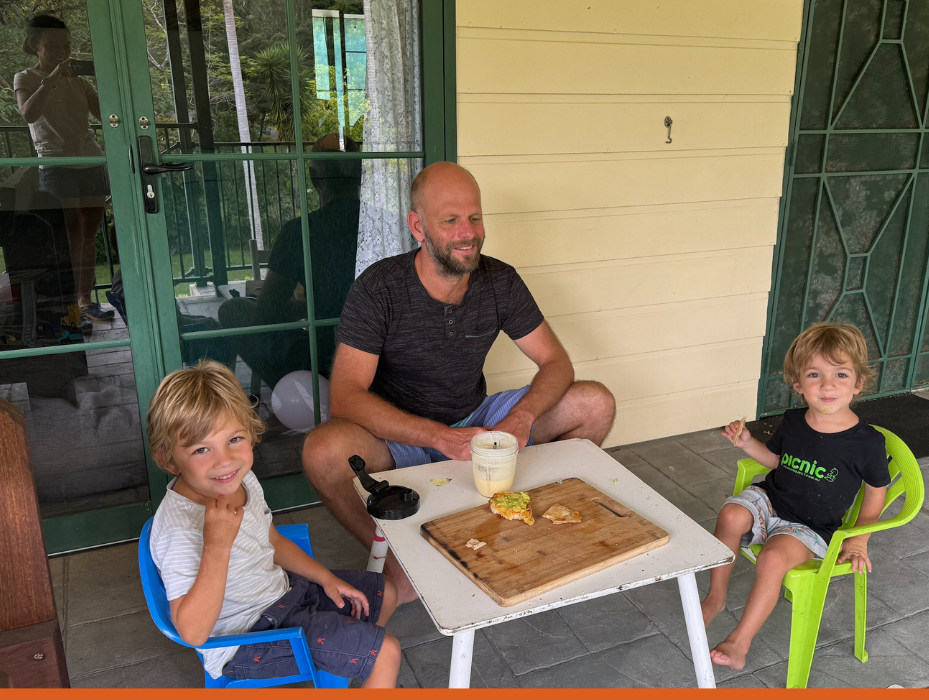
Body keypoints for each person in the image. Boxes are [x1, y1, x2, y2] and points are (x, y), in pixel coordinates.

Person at [302, 161, 617, 605]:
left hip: (476, 421)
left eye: (474, 217)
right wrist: (437, 436)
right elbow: (345, 397)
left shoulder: (499, 280)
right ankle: (395, 557)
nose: (467, 232)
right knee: (322, 450)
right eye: (450, 220)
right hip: (398, 437)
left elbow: (556, 362)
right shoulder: (379, 287)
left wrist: (523, 417)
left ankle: (527, 522)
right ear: (418, 226)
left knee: (595, 403)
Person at [146, 360, 401, 686]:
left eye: (234, 439)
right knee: (387, 653)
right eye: (201, 449)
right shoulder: (179, 529)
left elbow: (271, 540)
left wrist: (325, 578)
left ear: (251, 434)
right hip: (245, 639)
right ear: (168, 459)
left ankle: (347, 668)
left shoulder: (242, 480)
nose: (224, 460)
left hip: (283, 596)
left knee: (385, 593)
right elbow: (193, 632)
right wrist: (217, 545)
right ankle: (366, 664)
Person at [702, 323, 891, 670]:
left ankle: (739, 642)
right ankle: (715, 598)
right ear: (798, 384)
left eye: (841, 374)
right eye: (815, 374)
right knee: (730, 514)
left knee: (773, 560)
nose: (828, 385)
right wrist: (747, 444)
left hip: (811, 526)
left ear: (858, 383)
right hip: (774, 499)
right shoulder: (792, 421)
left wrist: (859, 540)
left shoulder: (867, 443)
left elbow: (877, 493)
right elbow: (778, 461)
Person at [217, 132, 359, 388]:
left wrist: (306, 308)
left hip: (325, 363)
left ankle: (300, 396)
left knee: (233, 310)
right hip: (385, 359)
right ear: (361, 177)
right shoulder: (389, 226)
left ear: (315, 179)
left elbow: (266, 314)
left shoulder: (301, 231)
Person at [14, 14, 114, 329]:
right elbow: (28, 113)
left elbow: (108, 114)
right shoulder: (25, 77)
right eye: (53, 45)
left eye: (66, 45)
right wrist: (52, 79)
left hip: (91, 160)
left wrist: (108, 78)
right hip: (57, 165)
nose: (61, 51)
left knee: (88, 235)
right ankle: (70, 309)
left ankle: (85, 302)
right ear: (35, 45)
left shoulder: (80, 80)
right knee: (69, 237)